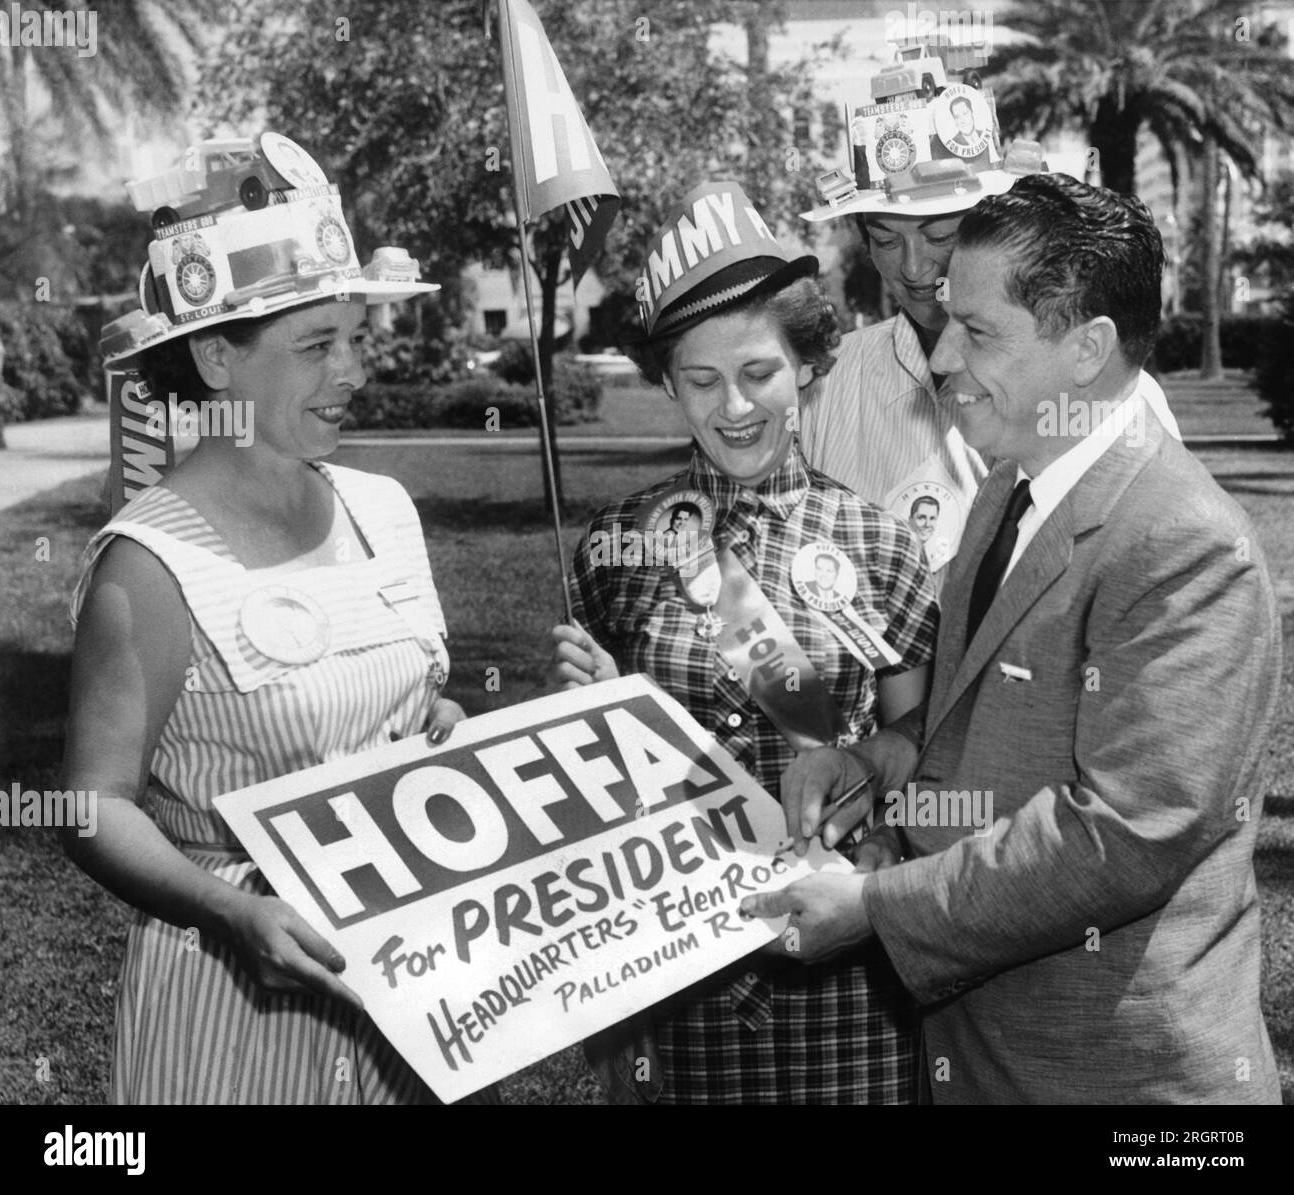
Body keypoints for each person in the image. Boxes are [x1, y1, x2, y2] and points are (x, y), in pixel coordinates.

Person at [744, 174, 1282, 1104]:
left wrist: (875, 907)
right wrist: (878, 764)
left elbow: (1121, 834)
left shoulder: (1186, 544)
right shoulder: (1009, 487)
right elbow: (968, 727)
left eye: (979, 331)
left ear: (1088, 349)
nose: (943, 355)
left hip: (1122, 1083)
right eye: (949, 320)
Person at [61, 132, 493, 1105]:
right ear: (217, 358)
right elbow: (91, 808)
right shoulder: (151, 560)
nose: (351, 371)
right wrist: (227, 911)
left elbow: (405, 706)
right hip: (234, 1002)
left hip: (410, 994)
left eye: (354, 338)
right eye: (315, 347)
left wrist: (441, 730)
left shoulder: (383, 508)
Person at [547, 180, 939, 1105]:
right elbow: (581, 792)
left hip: (844, 974)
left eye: (759, 372)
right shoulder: (616, 545)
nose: (734, 407)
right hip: (676, 983)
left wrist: (866, 763)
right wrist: (594, 711)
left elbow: (923, 744)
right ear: (665, 381)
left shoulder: (879, 543)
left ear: (806, 364)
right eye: (700, 379)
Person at [799, 64, 1179, 594]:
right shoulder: (826, 381)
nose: (914, 268)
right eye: (886, 241)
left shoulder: (1112, 393)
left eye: (941, 236)